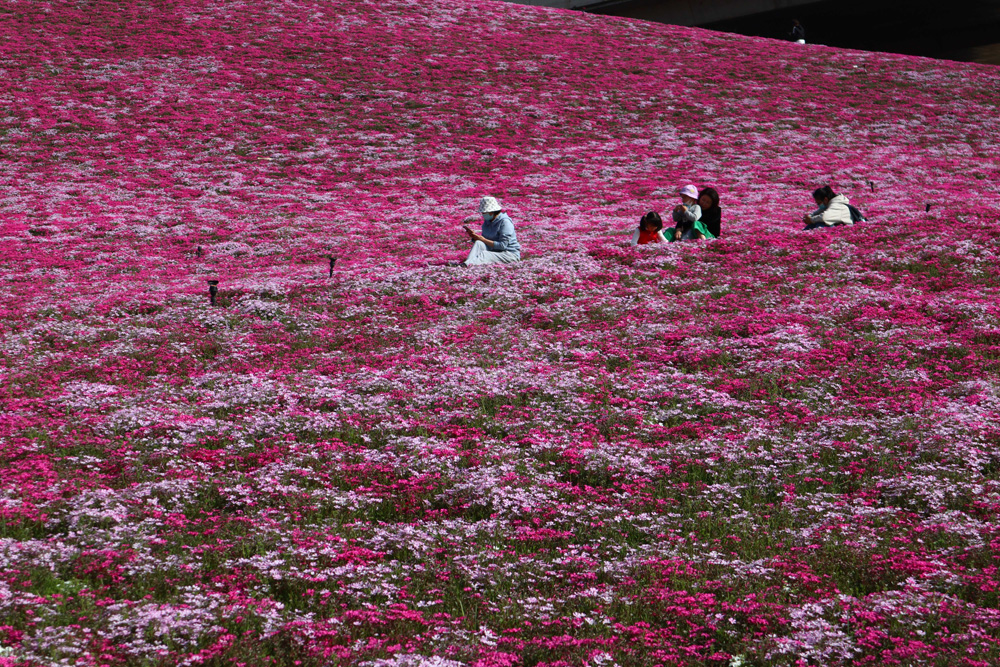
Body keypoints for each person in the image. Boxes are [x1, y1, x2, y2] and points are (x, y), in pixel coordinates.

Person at [461, 196, 521, 265]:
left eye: (484, 212)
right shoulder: (487, 222)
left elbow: (502, 246)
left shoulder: (505, 222)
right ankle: (467, 263)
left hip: (509, 254)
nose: (482, 214)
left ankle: (467, 265)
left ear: (491, 212)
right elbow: (486, 241)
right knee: (478, 243)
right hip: (495, 251)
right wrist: (476, 238)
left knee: (485, 254)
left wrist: (483, 239)